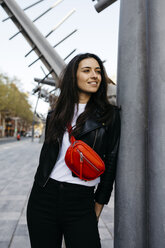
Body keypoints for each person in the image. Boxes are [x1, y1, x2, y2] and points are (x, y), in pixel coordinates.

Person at [26, 53, 121, 248]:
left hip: (81, 202)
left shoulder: (110, 116)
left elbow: (111, 164)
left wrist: (98, 206)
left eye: (98, 71)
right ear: (73, 76)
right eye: (86, 70)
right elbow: (47, 158)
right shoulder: (55, 114)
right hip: (43, 198)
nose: (94, 75)